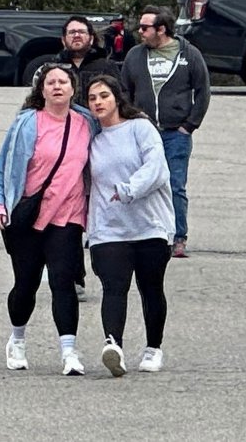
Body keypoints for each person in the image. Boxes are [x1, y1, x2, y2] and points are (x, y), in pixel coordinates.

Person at [0, 63, 99, 375]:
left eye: (63, 82)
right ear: (41, 90)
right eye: (51, 82)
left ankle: (69, 352)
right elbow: (4, 167)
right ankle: (18, 340)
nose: (57, 87)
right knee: (26, 284)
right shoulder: (27, 123)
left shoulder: (86, 122)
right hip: (28, 216)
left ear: (73, 89)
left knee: (63, 281)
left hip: (68, 216)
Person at [84, 75, 173, 377]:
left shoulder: (140, 128)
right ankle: (114, 346)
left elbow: (157, 168)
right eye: (92, 98)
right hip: (108, 229)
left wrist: (127, 189)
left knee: (151, 288)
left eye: (104, 96)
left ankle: (153, 348)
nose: (98, 102)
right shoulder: (92, 140)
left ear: (118, 98)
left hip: (149, 225)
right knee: (114, 287)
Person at [120, 5, 210, 258]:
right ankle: (142, 232)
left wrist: (188, 126)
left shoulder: (189, 54)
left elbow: (203, 90)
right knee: (139, 183)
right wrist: (132, 117)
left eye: (145, 27)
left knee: (175, 185)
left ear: (161, 29)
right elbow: (124, 90)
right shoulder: (135, 56)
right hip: (143, 132)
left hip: (175, 133)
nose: (140, 32)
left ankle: (178, 236)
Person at [54, 15, 121, 300]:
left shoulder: (105, 67)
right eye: (71, 32)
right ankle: (75, 278)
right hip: (67, 148)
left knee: (102, 210)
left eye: (82, 32)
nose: (77, 36)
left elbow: (121, 101)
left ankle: (112, 276)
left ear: (91, 38)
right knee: (71, 216)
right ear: (64, 39)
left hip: (100, 145)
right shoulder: (55, 69)